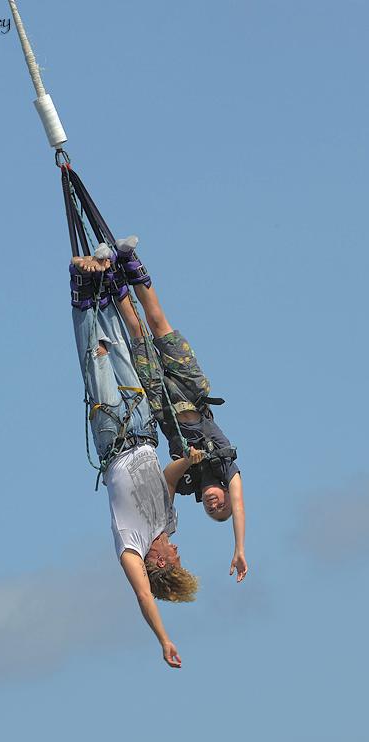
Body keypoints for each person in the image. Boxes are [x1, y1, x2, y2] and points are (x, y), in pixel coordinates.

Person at [69, 251, 203, 668]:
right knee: (124, 350)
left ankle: (81, 284)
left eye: (177, 558)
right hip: (142, 428)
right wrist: (190, 460)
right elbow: (166, 479)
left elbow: (143, 595)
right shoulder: (168, 522)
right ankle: (106, 286)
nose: (179, 550)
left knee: (98, 358)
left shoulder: (132, 547)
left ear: (161, 563)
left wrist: (164, 640)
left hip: (112, 435)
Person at [104, 236, 248, 584]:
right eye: (222, 507)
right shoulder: (228, 469)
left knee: (137, 334)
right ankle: (131, 262)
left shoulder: (187, 485)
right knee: (158, 324)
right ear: (227, 496)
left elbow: (163, 487)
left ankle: (114, 282)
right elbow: (241, 507)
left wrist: (187, 462)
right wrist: (239, 547)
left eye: (212, 511)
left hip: (160, 404)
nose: (216, 506)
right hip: (191, 392)